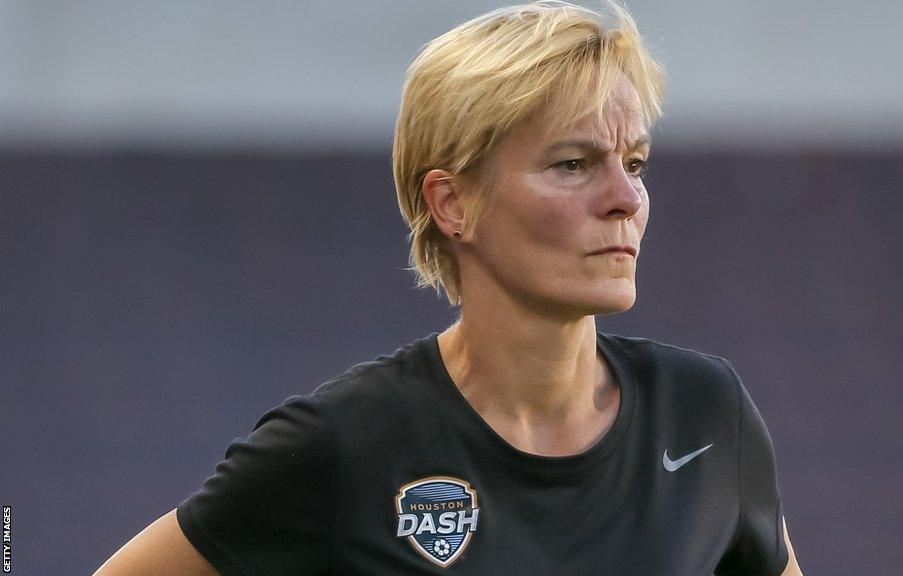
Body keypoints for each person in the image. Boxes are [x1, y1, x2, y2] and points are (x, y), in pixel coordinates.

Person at [94, 1, 803, 574]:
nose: (626, 197)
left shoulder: (708, 418)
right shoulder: (344, 444)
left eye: (637, 162)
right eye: (573, 163)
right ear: (452, 203)